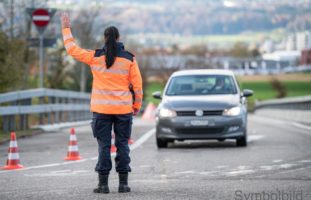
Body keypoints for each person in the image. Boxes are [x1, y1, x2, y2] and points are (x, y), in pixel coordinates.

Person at [61, 13, 143, 194]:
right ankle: (123, 184)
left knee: (104, 146)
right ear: (119, 38)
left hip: (101, 111)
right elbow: (137, 87)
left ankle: (103, 185)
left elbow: (72, 49)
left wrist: (66, 28)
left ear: (104, 39)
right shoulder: (130, 59)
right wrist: (136, 107)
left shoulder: (94, 57)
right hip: (123, 110)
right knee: (122, 145)